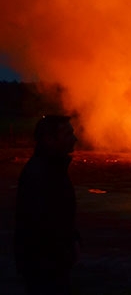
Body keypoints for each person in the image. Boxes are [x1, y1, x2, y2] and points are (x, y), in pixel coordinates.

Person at [14, 115, 80, 295]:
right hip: (45, 263)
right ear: (49, 139)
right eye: (67, 134)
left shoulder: (53, 168)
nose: (74, 139)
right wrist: (61, 251)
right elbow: (39, 222)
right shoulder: (41, 173)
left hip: (52, 260)